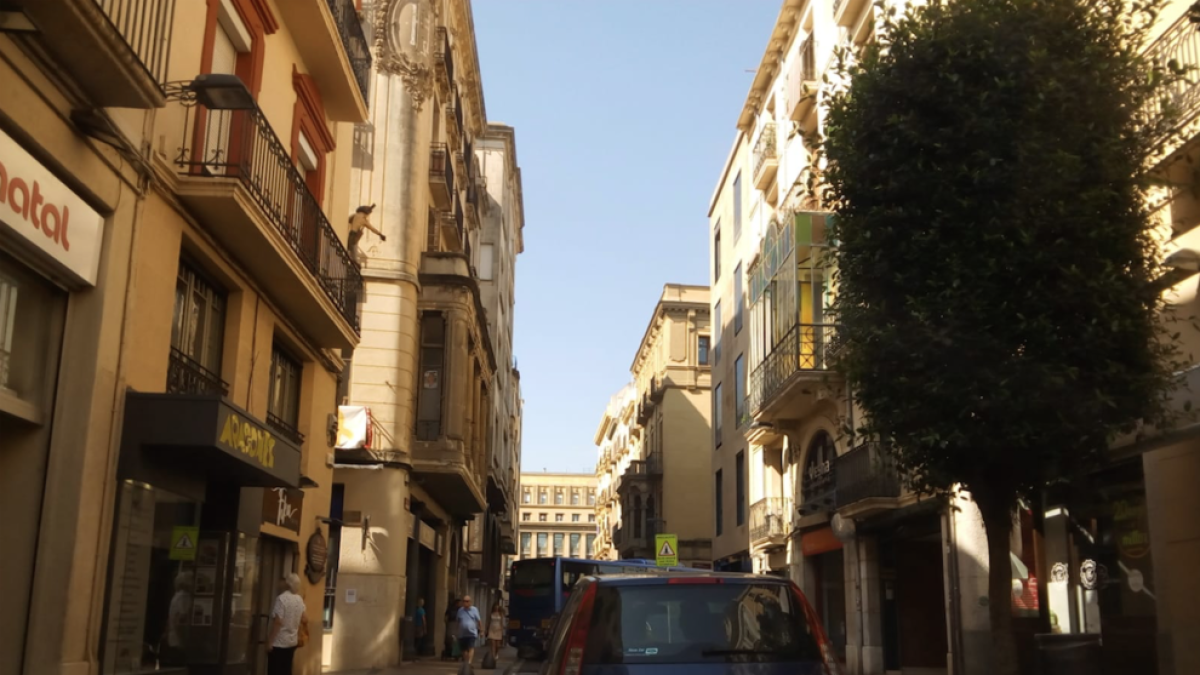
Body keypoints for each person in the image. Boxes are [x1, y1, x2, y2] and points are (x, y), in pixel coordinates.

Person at [266, 573, 308, 675]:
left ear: (287, 584)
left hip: (279, 642)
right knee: (286, 670)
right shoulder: (299, 600)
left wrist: (270, 641)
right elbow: (305, 618)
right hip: (292, 641)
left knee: (275, 670)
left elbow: (278, 622)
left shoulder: (281, 599)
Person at [456, 595, 483, 666]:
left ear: (470, 602)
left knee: (471, 647)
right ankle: (466, 661)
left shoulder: (474, 610)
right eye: (464, 601)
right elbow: (458, 621)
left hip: (472, 633)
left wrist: (481, 630)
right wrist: (457, 631)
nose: (465, 603)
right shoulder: (460, 610)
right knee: (464, 649)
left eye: (467, 601)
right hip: (462, 633)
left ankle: (469, 663)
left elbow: (479, 620)